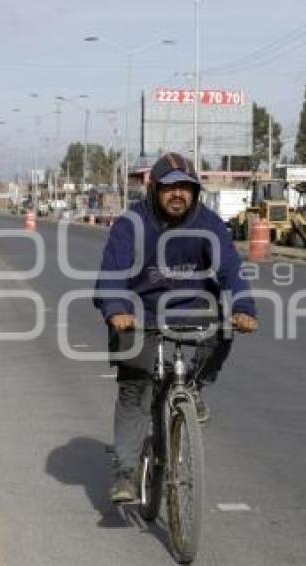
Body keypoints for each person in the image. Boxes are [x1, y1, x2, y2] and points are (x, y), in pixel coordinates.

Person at [93, 152, 258, 503]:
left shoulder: (209, 224)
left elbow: (231, 268)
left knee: (224, 323)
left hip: (193, 310)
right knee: (134, 390)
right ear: (153, 189)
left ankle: (195, 385)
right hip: (139, 313)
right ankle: (126, 471)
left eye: (186, 187)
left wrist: (243, 307)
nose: (178, 194)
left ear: (196, 191)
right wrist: (116, 309)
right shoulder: (131, 225)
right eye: (170, 188)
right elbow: (111, 276)